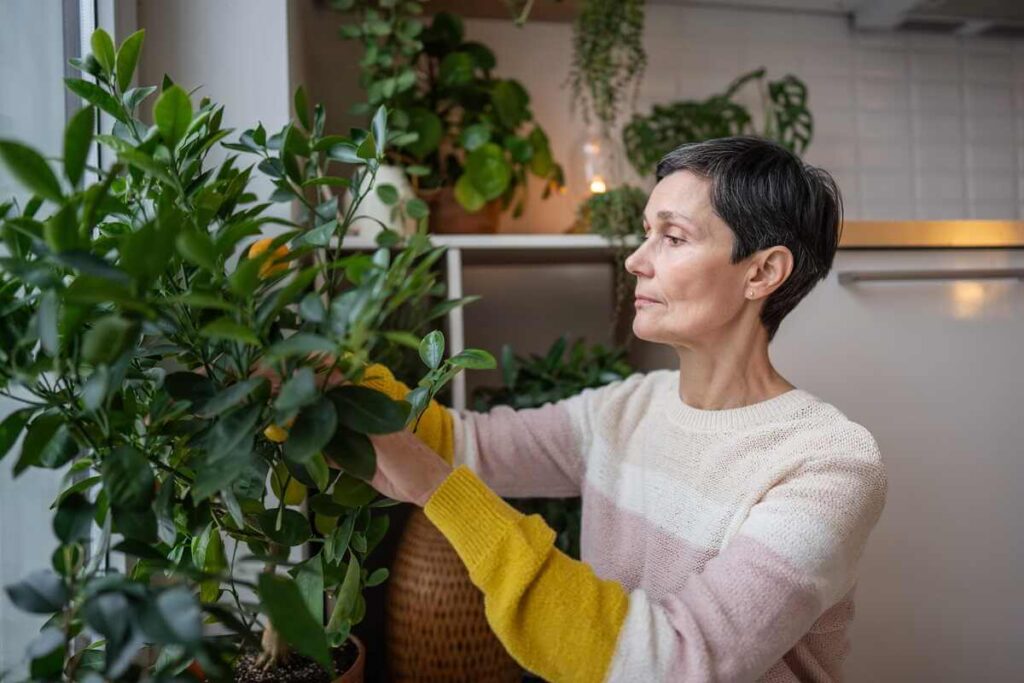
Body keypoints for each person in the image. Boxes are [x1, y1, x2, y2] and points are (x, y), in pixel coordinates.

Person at [361, 136, 888, 682]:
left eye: (673, 238)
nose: (636, 261)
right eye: (645, 233)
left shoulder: (828, 464)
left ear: (761, 273)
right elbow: (459, 443)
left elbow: (676, 664)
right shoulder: (623, 409)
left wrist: (438, 490)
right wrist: (335, 379)